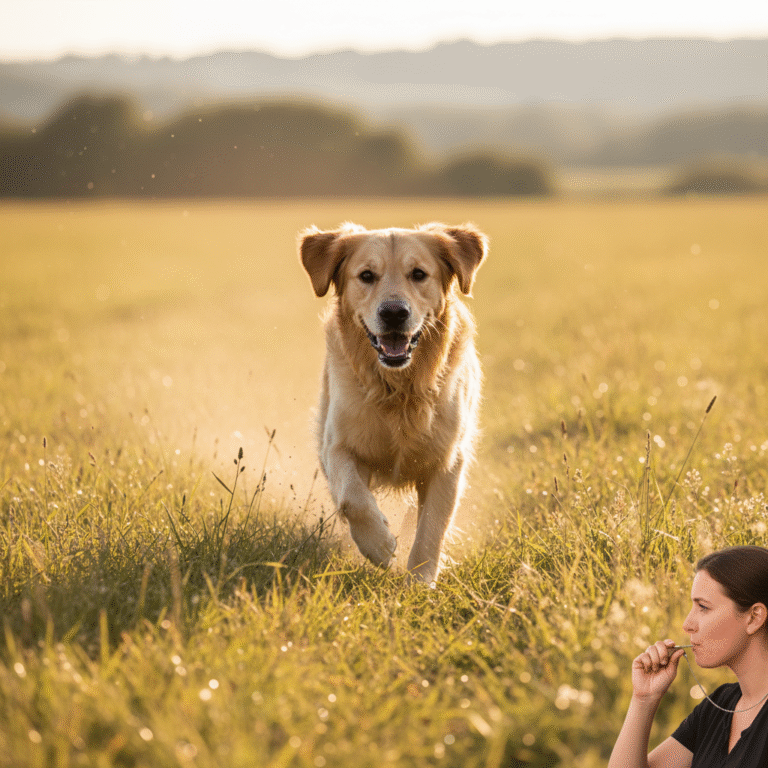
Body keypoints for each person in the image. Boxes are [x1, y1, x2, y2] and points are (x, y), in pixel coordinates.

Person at [608, 545, 768, 768]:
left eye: (703, 607)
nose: (687, 625)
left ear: (754, 617)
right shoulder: (717, 706)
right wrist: (643, 699)